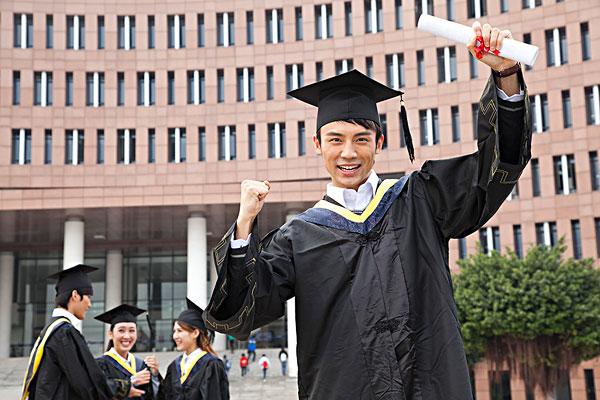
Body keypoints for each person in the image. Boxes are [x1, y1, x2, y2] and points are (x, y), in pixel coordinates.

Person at [204, 21, 531, 400]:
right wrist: (244, 226)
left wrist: (505, 74)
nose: (348, 153)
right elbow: (239, 314)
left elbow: (497, 168)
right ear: (317, 144)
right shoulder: (298, 239)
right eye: (335, 140)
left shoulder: (420, 199)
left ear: (379, 142)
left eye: (361, 139)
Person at [21, 264, 137, 400]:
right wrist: (124, 388)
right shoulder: (64, 332)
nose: (89, 304)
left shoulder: (51, 330)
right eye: (88, 297)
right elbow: (86, 381)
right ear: (75, 295)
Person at [157, 298, 229, 400]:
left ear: (195, 333)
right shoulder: (174, 366)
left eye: (179, 331)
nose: (175, 336)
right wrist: (155, 375)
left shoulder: (211, 365)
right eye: (174, 331)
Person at [95, 304, 162, 399]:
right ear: (110, 334)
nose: (127, 336)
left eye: (131, 331)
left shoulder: (141, 365)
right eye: (121, 330)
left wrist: (155, 375)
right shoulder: (100, 365)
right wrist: (130, 382)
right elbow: (98, 394)